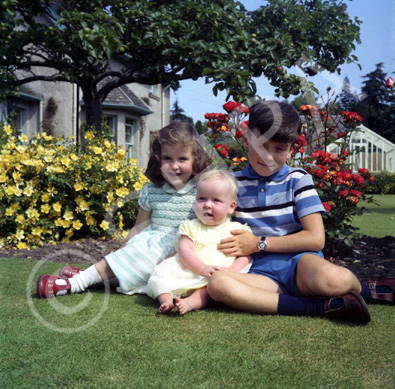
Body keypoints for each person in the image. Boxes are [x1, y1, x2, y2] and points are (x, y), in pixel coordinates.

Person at [207, 100, 394, 324]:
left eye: (279, 149)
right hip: (253, 271)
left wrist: (258, 243)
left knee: (333, 279)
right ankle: (321, 307)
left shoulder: (298, 179)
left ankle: (366, 290)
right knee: (218, 284)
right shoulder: (230, 183)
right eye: (263, 146)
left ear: (292, 149)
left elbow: (316, 239)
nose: (269, 156)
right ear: (247, 137)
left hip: (299, 263)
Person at [37, 122, 208, 298]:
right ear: (158, 159)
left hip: (184, 249)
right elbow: (140, 226)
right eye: (167, 159)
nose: (174, 166)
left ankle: (90, 275)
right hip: (152, 244)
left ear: (195, 159)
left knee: (144, 273)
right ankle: (73, 284)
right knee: (131, 256)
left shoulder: (201, 192)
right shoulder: (151, 191)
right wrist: (124, 248)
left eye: (182, 159)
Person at [146, 169, 251, 315]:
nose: (207, 205)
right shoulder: (191, 226)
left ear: (231, 207)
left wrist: (231, 272)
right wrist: (201, 269)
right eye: (202, 199)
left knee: (207, 289)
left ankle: (190, 303)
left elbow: (245, 256)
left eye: (216, 200)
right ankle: (166, 299)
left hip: (216, 275)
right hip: (188, 269)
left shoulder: (237, 230)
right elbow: (185, 250)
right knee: (162, 274)